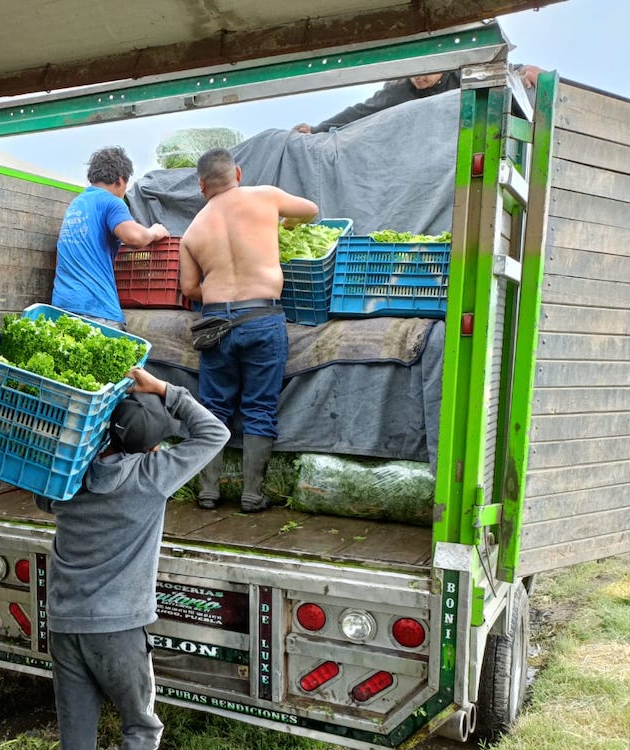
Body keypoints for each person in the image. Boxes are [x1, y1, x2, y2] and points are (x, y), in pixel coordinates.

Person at [36, 367, 228, 750]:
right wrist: (166, 390)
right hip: (120, 631)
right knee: (141, 726)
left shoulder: (68, 480)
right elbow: (215, 433)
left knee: (76, 736)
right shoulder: (153, 477)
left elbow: (38, 486)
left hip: (66, 626)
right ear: (150, 448)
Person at [179, 148, 318, 513]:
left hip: (216, 324)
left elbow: (190, 289)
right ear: (237, 173)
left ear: (201, 185)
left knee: (212, 408)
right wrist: (284, 224)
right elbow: (311, 211)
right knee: (259, 407)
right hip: (262, 317)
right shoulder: (266, 197)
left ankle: (207, 492)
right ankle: (252, 495)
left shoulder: (192, 231)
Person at [51, 146, 171, 329]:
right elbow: (134, 237)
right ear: (120, 180)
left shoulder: (77, 204)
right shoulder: (111, 202)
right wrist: (154, 231)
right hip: (95, 310)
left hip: (62, 306)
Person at [294, 65, 544, 133]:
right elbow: (361, 111)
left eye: (426, 71)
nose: (418, 78)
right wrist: (317, 129)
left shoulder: (463, 74)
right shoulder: (397, 90)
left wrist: (527, 69)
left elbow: (504, 72)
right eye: (413, 72)